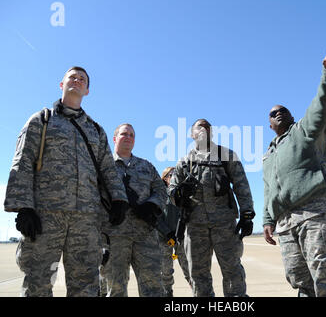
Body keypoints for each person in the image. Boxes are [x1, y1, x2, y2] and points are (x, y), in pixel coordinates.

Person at [4, 66, 128, 297]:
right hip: (45, 216)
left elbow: (108, 169)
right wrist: (23, 207)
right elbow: (22, 161)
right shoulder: (41, 120)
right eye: (72, 77)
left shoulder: (95, 130)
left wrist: (119, 198)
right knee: (38, 282)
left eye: (82, 79)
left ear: (87, 91)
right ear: (62, 85)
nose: (77, 80)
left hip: (86, 218)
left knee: (86, 285)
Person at [262, 36, 326, 297]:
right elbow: (268, 190)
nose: (278, 112)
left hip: (316, 213)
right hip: (286, 225)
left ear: (291, 116)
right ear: (269, 124)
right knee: (300, 282)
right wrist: (268, 220)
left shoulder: (305, 131)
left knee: (325, 278)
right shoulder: (268, 156)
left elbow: (324, 105)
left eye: (283, 110)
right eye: (273, 112)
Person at [169, 119, 255, 297]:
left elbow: (241, 185)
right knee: (198, 274)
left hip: (224, 224)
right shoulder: (184, 162)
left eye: (207, 127)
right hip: (195, 226)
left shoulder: (226, 156)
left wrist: (247, 214)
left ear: (212, 133)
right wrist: (178, 193)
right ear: (192, 134)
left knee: (232, 269)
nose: (203, 129)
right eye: (199, 127)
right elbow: (171, 192)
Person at [104, 123, 166, 297]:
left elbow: (161, 190)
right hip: (114, 235)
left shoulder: (146, 166)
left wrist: (152, 204)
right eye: (124, 134)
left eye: (132, 135)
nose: (129, 137)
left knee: (153, 287)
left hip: (145, 234)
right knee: (115, 288)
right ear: (115, 138)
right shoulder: (104, 166)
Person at [159, 167, 191, 297]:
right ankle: (167, 293)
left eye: (176, 174)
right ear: (165, 178)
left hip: (181, 237)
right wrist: (167, 232)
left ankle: (197, 290)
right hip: (164, 238)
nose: (174, 176)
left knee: (189, 267)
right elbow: (156, 217)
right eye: (171, 174)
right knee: (166, 270)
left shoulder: (182, 194)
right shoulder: (159, 194)